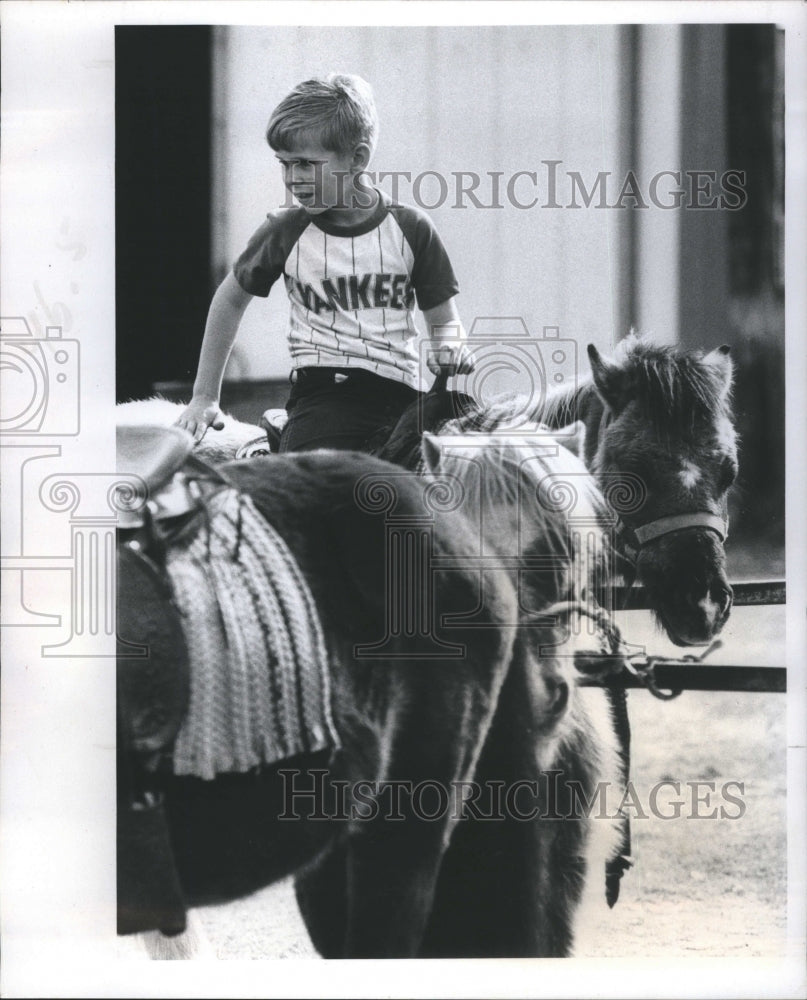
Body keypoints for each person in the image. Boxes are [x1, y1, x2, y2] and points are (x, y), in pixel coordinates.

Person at [177, 72, 473, 452]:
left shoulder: (411, 228)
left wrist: (450, 347)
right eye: (284, 164)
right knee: (313, 489)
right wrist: (204, 397)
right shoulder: (285, 231)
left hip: (404, 396)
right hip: (326, 397)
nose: (292, 178)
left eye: (305, 164)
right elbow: (230, 299)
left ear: (357, 159)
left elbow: (444, 319)